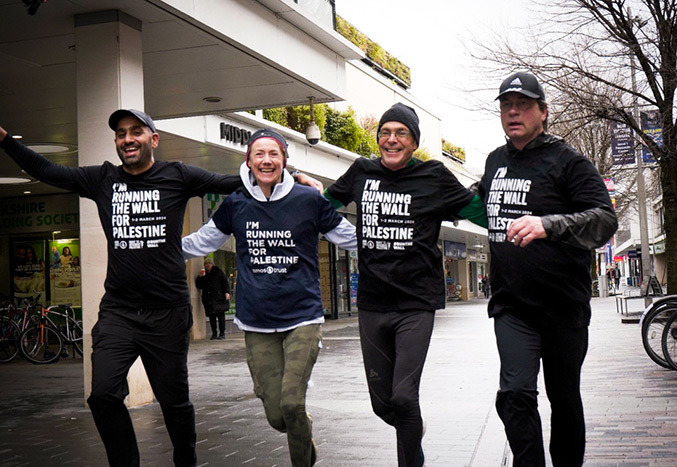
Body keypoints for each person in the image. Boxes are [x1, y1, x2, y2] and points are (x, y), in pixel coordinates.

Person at [0, 111, 321, 467]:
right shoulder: (102, 180)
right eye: (121, 134)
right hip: (118, 312)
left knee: (174, 403)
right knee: (103, 395)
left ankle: (186, 459)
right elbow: (48, 172)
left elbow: (232, 182)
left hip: (167, 312)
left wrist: (291, 177)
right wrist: (3, 138)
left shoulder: (177, 175)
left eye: (136, 131)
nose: (128, 139)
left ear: (153, 139)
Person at [324, 103, 487, 467]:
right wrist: (299, 192)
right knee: (383, 406)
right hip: (371, 303)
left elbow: (480, 212)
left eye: (401, 133)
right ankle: (413, 433)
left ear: (413, 142)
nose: (391, 139)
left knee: (403, 398)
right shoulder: (362, 172)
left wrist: (525, 210)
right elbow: (324, 206)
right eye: (385, 132)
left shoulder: (435, 176)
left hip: (415, 303)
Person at [182, 128, 357, 467]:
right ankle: (302, 433)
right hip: (256, 320)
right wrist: (159, 248)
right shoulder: (235, 204)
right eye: (259, 154)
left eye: (273, 154)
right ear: (248, 161)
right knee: (279, 417)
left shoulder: (309, 200)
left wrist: (397, 241)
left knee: (292, 404)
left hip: (303, 316)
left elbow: (349, 237)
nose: (266, 160)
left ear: (284, 161)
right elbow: (202, 242)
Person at [477, 71, 618, 466]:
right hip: (512, 306)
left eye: (522, 105)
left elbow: (605, 220)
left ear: (543, 112)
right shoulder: (494, 162)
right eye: (506, 105)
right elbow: (472, 203)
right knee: (515, 394)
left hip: (563, 306)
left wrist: (547, 224)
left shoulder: (569, 161)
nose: (513, 112)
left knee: (563, 397)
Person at [195, 257, 230, 340]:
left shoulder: (218, 272)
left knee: (220, 316)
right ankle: (214, 333)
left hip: (218, 297)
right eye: (206, 264)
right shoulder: (204, 273)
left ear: (212, 264)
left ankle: (222, 333)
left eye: (209, 263)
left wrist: (227, 292)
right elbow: (199, 286)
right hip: (208, 299)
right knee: (212, 316)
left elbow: (225, 282)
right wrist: (199, 277)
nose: (207, 265)